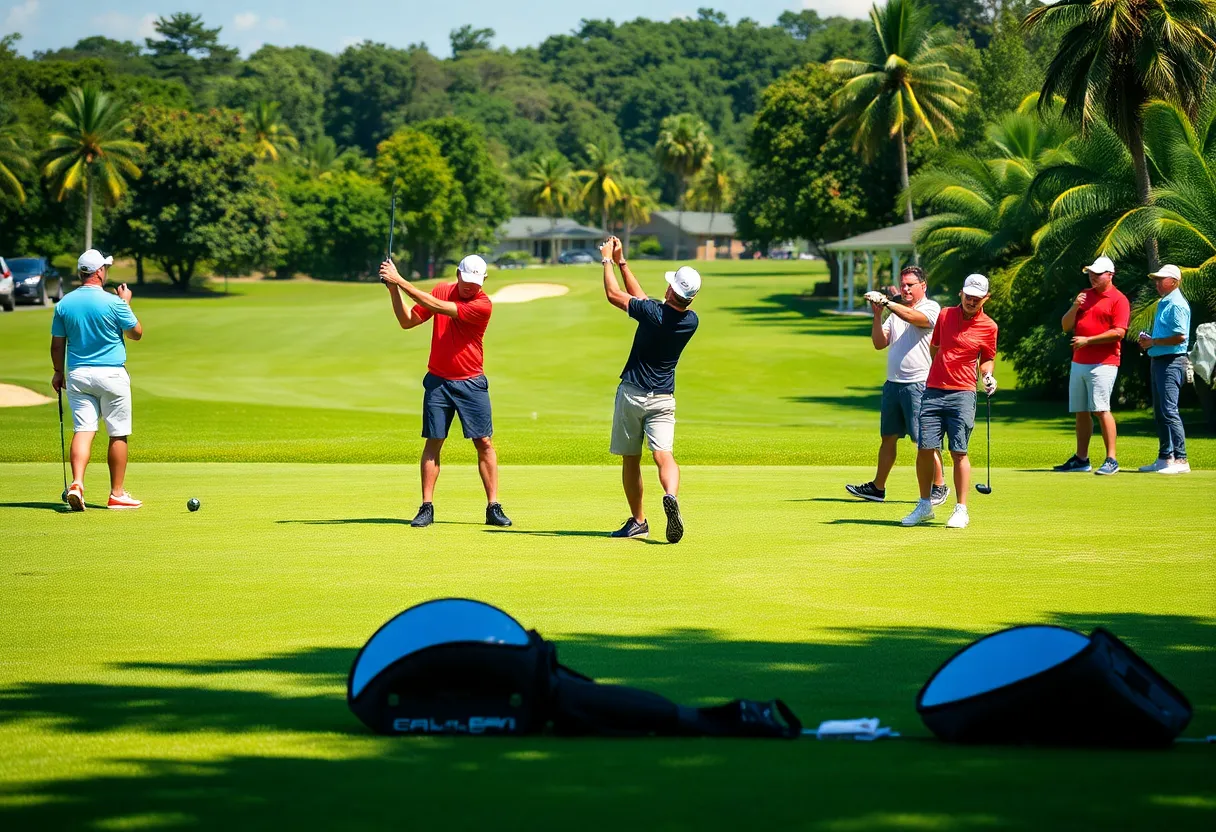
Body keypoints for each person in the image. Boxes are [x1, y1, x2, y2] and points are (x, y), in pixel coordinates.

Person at [379, 254, 512, 527]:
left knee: (484, 442)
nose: (470, 287)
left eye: (476, 282)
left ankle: (493, 507)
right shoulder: (441, 288)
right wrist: (394, 290)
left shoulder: (482, 304)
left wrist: (399, 279)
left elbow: (438, 306)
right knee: (434, 442)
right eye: (466, 280)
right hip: (438, 382)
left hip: (471, 382)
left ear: (484, 280)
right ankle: (426, 507)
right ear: (457, 273)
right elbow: (408, 321)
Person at [600, 237, 699, 542]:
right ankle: (671, 494)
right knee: (663, 455)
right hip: (664, 399)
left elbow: (613, 294)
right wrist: (622, 262)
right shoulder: (690, 321)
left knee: (631, 458)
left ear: (671, 290)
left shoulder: (653, 314)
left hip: (633, 394)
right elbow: (641, 297)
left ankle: (639, 520)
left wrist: (606, 260)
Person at [50, 249, 144, 511]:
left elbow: (57, 346)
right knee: (117, 433)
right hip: (112, 374)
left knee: (84, 429)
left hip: (78, 375)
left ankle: (77, 483)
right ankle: (116, 494)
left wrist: (58, 372)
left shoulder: (64, 304)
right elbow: (136, 333)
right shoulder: (113, 303)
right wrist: (125, 302)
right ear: (100, 272)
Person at [902, 274, 998, 529]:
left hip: (963, 394)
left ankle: (961, 509)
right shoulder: (945, 315)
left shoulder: (989, 327)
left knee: (959, 452)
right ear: (961, 293)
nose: (971, 301)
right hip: (933, 391)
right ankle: (925, 505)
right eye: (968, 296)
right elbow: (935, 348)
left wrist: (987, 376)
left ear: (985, 299)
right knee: (925, 448)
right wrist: (942, 371)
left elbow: (987, 358)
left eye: (976, 299)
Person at [846, 266, 947, 505]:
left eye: (911, 284)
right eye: (903, 284)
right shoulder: (895, 312)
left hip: (919, 384)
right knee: (888, 437)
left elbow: (915, 319)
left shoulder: (931, 308)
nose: (906, 288)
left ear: (923, 286)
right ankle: (877, 488)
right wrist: (877, 314)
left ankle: (939, 485)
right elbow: (880, 343)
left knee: (924, 440)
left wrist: (889, 302)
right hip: (893, 384)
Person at [1055, 256, 1131, 475]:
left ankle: (1111, 459)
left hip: (1104, 363)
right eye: (1090, 273)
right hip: (1079, 361)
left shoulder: (1119, 299)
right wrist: (1074, 306)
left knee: (1100, 409)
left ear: (1110, 275)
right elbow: (1065, 326)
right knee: (1080, 411)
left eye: (1097, 274)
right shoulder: (1084, 296)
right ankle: (1082, 459)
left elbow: (1119, 332)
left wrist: (1088, 340)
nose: (1092, 277)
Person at [1138, 264, 1192, 475]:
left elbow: (1180, 336)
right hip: (1159, 360)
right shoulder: (1164, 302)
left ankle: (1181, 459)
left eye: (1162, 279)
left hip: (1172, 361)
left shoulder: (1177, 304)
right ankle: (1165, 457)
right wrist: (1150, 342)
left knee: (1169, 410)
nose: (1157, 283)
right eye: (1157, 279)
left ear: (1174, 282)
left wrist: (1154, 342)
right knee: (1160, 412)